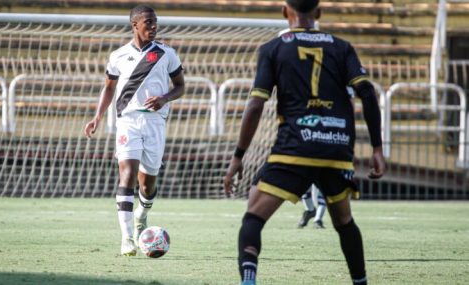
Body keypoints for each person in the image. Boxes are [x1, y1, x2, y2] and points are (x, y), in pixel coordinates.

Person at [223, 0, 385, 284]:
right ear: (319, 13)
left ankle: (248, 280)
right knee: (344, 223)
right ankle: (361, 282)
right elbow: (368, 93)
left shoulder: (273, 48)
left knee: (253, 219)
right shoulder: (342, 46)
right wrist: (377, 148)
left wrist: (238, 156)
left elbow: (255, 105)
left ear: (285, 11)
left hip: (294, 148)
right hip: (336, 147)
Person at [84, 5, 185, 256]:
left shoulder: (166, 53)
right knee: (127, 173)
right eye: (148, 22)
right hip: (127, 121)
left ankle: (142, 214)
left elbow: (181, 87)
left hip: (155, 123)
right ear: (135, 25)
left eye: (155, 22)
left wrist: (164, 98)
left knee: (147, 184)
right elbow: (108, 88)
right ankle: (127, 239)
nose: (154, 26)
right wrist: (97, 116)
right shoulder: (118, 56)